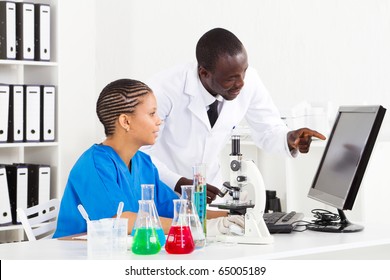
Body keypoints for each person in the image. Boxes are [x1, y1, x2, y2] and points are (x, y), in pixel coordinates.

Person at [142, 28, 326, 203]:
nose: (241, 83)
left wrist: (289, 138)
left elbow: (268, 129)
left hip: (211, 193)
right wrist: (179, 182)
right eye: (230, 78)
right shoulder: (163, 90)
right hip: (165, 190)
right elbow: (140, 152)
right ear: (204, 73)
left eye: (244, 72)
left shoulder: (248, 81)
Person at [53, 78, 243, 238]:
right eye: (152, 114)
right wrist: (197, 228)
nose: (159, 120)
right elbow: (121, 221)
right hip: (79, 256)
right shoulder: (94, 164)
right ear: (125, 121)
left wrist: (230, 217)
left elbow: (174, 210)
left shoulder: (143, 163)